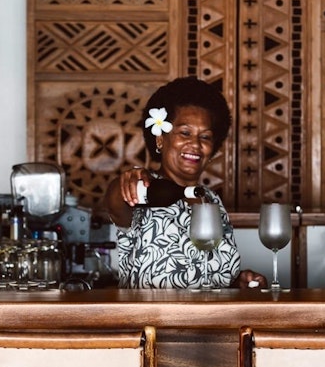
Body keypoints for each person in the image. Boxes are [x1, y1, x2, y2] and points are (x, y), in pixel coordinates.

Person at [104, 76, 267, 289]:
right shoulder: (143, 190)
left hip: (209, 321)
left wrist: (238, 283)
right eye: (185, 133)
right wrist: (126, 181)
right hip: (152, 321)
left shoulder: (210, 199)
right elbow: (116, 201)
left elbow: (210, 276)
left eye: (206, 137)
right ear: (161, 138)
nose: (196, 144)